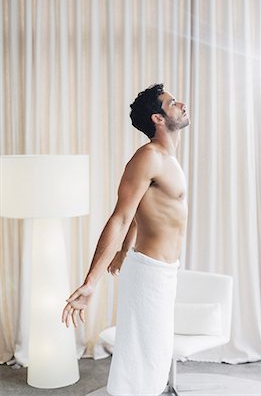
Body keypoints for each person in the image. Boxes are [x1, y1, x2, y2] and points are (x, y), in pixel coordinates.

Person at [62, 83, 190, 395]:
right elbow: (120, 216)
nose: (182, 104)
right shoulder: (148, 157)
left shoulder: (168, 159)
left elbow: (138, 211)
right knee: (142, 363)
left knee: (154, 359)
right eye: (172, 102)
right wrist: (92, 281)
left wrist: (124, 250)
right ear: (158, 119)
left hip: (164, 272)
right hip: (150, 273)